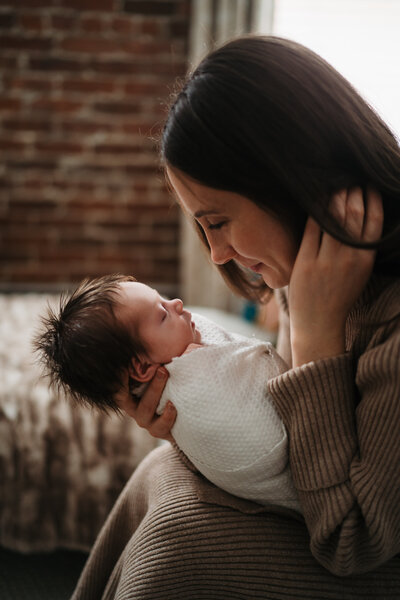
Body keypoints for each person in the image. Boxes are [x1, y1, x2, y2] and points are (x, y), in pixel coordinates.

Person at [71, 36, 400, 599]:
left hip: (364, 542)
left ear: (284, 179)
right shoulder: (303, 272)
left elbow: (353, 539)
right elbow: (292, 435)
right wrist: (194, 427)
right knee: (157, 473)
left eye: (217, 221)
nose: (216, 254)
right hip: (327, 501)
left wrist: (319, 331)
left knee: (175, 545)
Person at [35, 273, 299, 512]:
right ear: (141, 367)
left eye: (164, 298)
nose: (178, 303)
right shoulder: (189, 391)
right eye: (162, 314)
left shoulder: (183, 346)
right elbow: (264, 445)